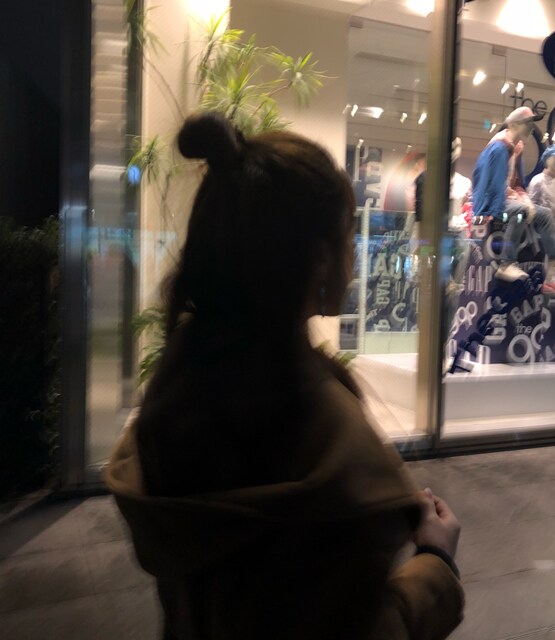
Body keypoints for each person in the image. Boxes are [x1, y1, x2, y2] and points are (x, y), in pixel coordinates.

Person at [104, 112, 464, 640]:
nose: (354, 255)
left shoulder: (176, 393)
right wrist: (435, 563)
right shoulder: (332, 464)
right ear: (319, 260)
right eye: (347, 236)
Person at [471, 106, 555, 285]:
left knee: (545, 214)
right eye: (527, 123)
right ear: (514, 124)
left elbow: (517, 183)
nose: (531, 127)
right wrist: (521, 203)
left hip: (505, 198)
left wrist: (525, 199)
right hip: (491, 201)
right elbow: (494, 186)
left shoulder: (516, 147)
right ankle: (507, 263)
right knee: (521, 211)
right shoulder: (499, 148)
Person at [527, 143, 555, 250]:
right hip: (541, 228)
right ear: (548, 159)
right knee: (542, 253)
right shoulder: (537, 181)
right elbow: (530, 207)